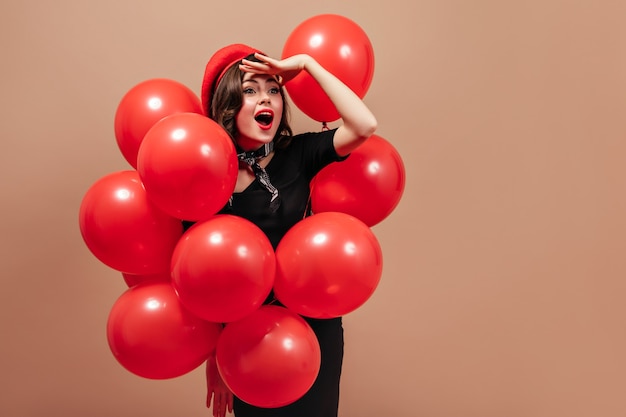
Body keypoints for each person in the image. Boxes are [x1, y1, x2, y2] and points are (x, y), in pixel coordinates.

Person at [199, 43, 377, 417]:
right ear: (227, 105)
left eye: (273, 89)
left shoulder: (300, 153)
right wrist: (215, 357)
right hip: (246, 339)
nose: (266, 98)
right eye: (250, 90)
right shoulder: (206, 174)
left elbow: (364, 125)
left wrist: (307, 63)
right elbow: (202, 276)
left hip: (313, 329)